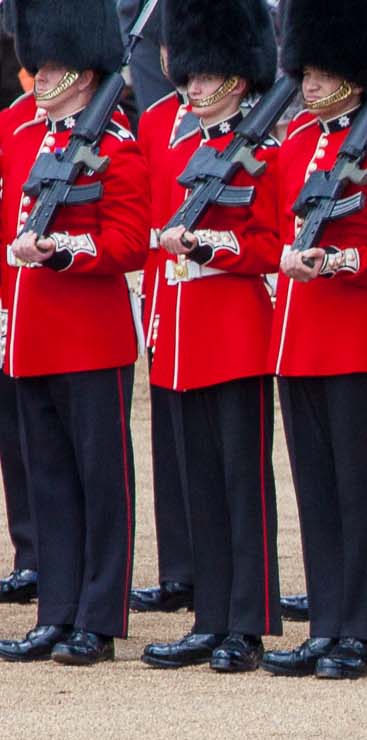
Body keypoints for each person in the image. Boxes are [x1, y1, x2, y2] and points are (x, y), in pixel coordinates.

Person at [260, 0, 367, 680]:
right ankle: (327, 621)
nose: (311, 84)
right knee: (316, 492)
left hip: (353, 338)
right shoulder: (293, 143)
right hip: (295, 339)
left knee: (362, 489)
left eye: (325, 72)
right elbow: (272, 232)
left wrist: (338, 264)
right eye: (307, 71)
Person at [141, 0, 286, 674]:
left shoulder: (262, 151)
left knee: (241, 482)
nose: (192, 87)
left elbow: (269, 245)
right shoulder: (177, 144)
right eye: (190, 77)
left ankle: (248, 622)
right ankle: (211, 614)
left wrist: (207, 245)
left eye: (205, 77)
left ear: (235, 78)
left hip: (236, 329)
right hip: (182, 333)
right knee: (199, 480)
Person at [0, 0, 147, 665]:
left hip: (91, 337)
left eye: (57, 65)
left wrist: (63, 251)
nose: (44, 74)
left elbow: (127, 243)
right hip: (30, 337)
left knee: (99, 481)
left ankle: (99, 614)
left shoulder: (115, 143)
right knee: (49, 481)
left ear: (85, 75)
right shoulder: (19, 133)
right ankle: (55, 610)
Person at [129, 11, 196, 620]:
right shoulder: (154, 120)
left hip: (203, 284)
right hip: (163, 290)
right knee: (169, 434)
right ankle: (179, 568)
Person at [0, 60, 40, 608]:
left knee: (30, 429)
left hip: (21, 290)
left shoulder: (19, 123)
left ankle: (39, 555)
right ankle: (30, 551)